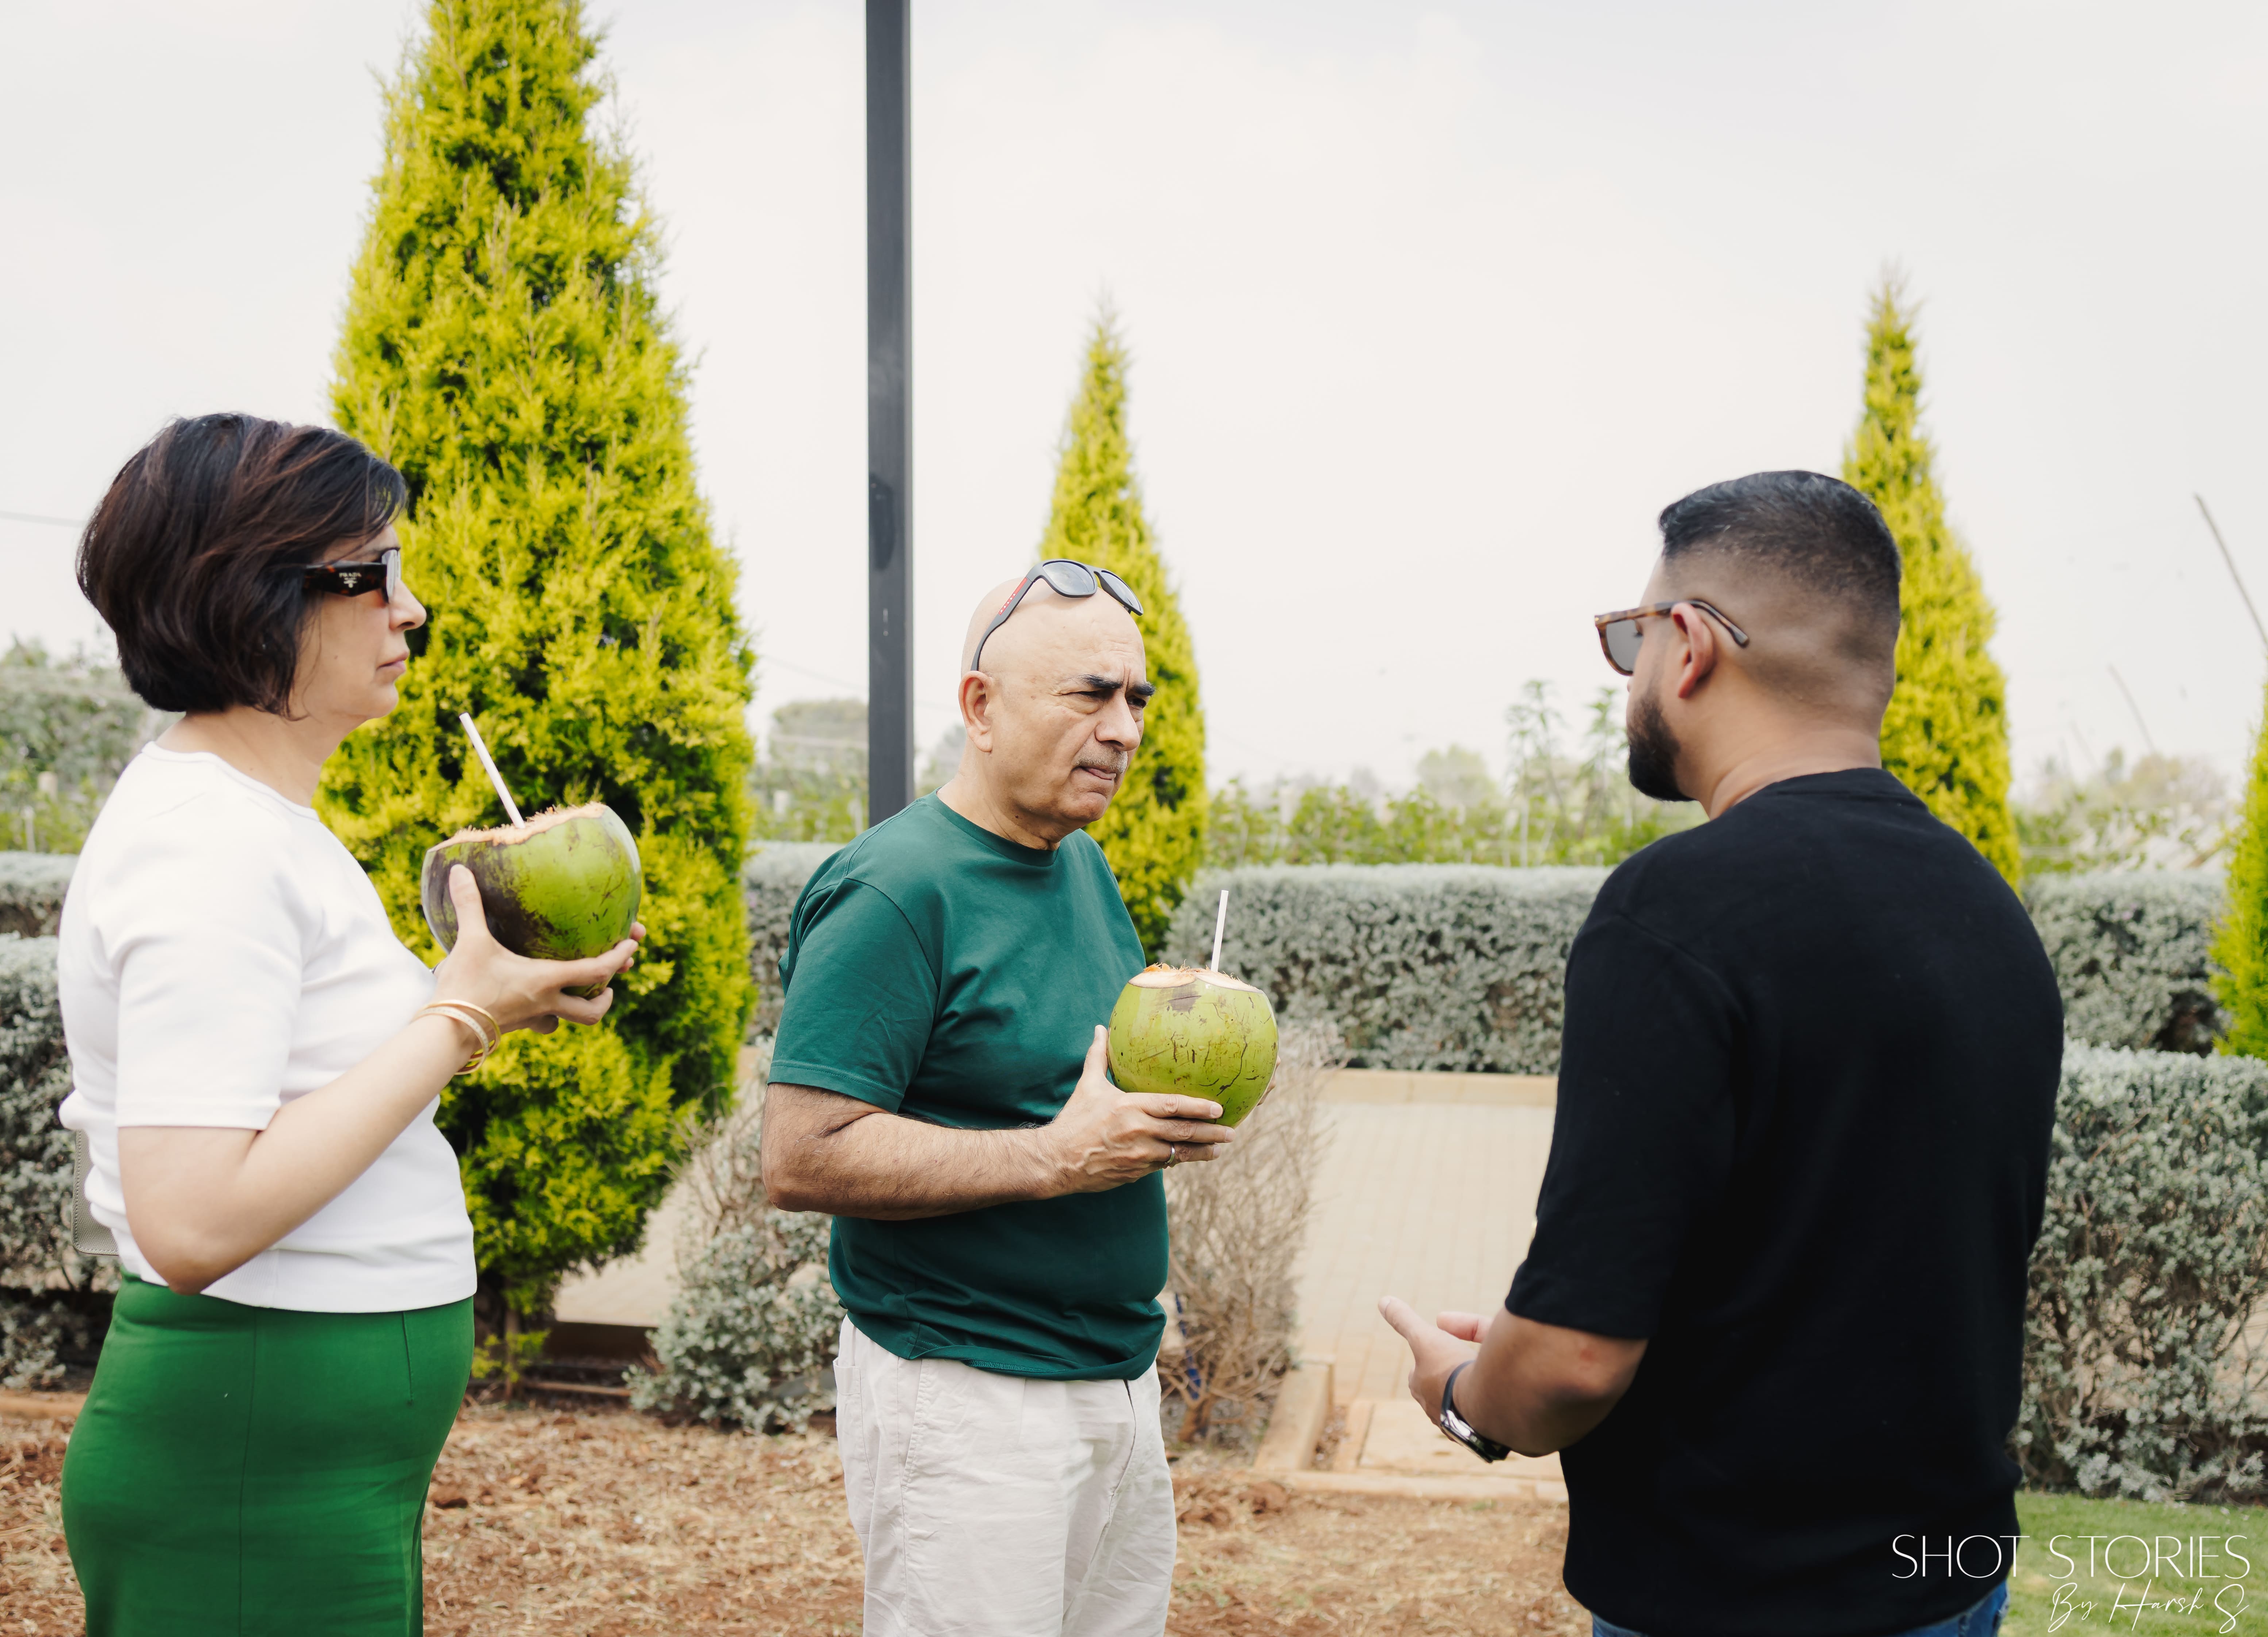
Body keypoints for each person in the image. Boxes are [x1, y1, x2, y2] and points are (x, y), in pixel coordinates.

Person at [1381, 470, 2062, 1637]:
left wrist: (1463, 1393)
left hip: (1737, 1602)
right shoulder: (1991, 913)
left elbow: (1572, 1366)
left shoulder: (1676, 910)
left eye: (1631, 639)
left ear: (1688, 646)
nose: (1630, 676)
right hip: (1947, 1587)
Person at [57, 414, 641, 1635]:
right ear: (245, 600)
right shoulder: (206, 846)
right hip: (249, 1462)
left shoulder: (257, 824)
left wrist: (480, 1002)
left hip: (295, 1463)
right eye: (365, 576)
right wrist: (463, 1017)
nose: (409, 608)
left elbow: (308, 1092)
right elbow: (193, 1217)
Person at [760, 562, 1236, 1637]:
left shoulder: (1083, 866)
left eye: (1137, 699)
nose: (1123, 729)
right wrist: (1054, 1157)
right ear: (980, 706)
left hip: (1114, 1385)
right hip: (970, 1402)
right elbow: (800, 1155)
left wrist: (1154, 1115)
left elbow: (1065, 1101)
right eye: (1089, 695)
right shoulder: (896, 888)